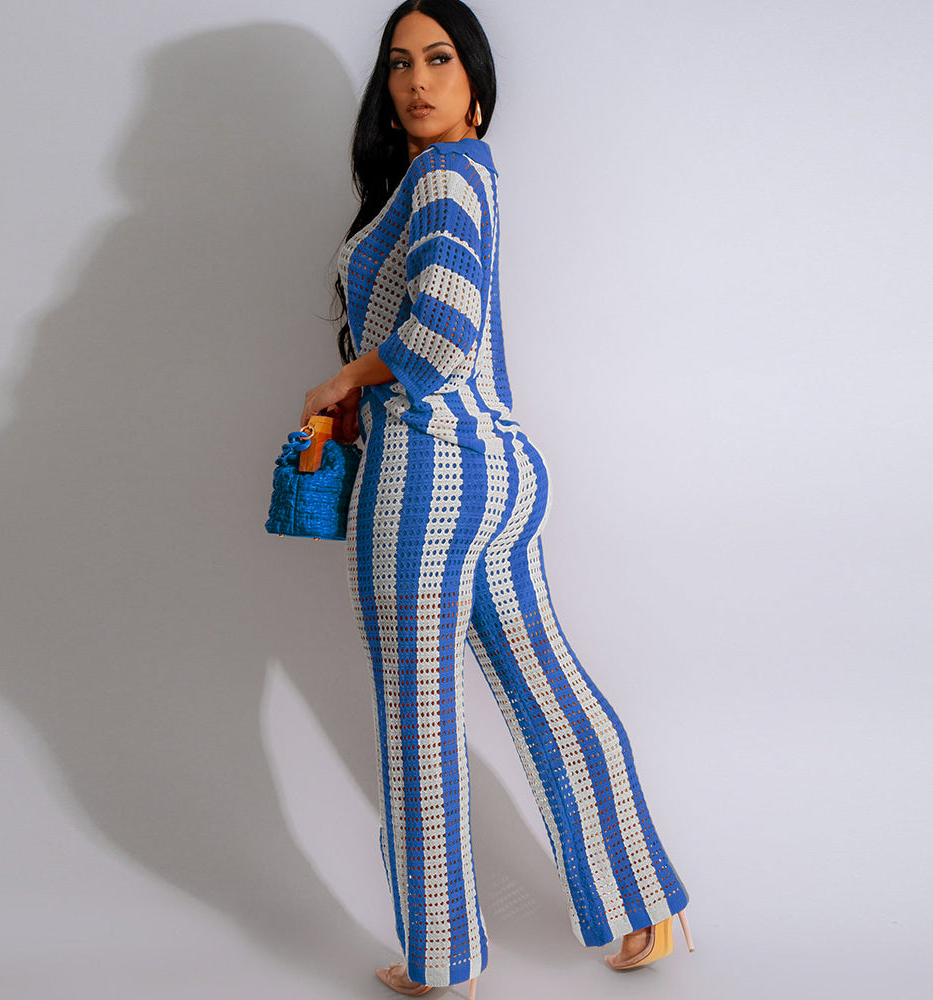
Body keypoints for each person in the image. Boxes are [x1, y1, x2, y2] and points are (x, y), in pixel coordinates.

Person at [299, 2, 694, 995]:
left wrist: (347, 379)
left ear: (476, 77)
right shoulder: (465, 174)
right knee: (546, 683)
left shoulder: (442, 174)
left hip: (424, 475)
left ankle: (441, 958)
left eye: (439, 59)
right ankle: (645, 903)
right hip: (500, 466)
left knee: (416, 719)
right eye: (399, 63)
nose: (416, 81)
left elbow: (440, 336)